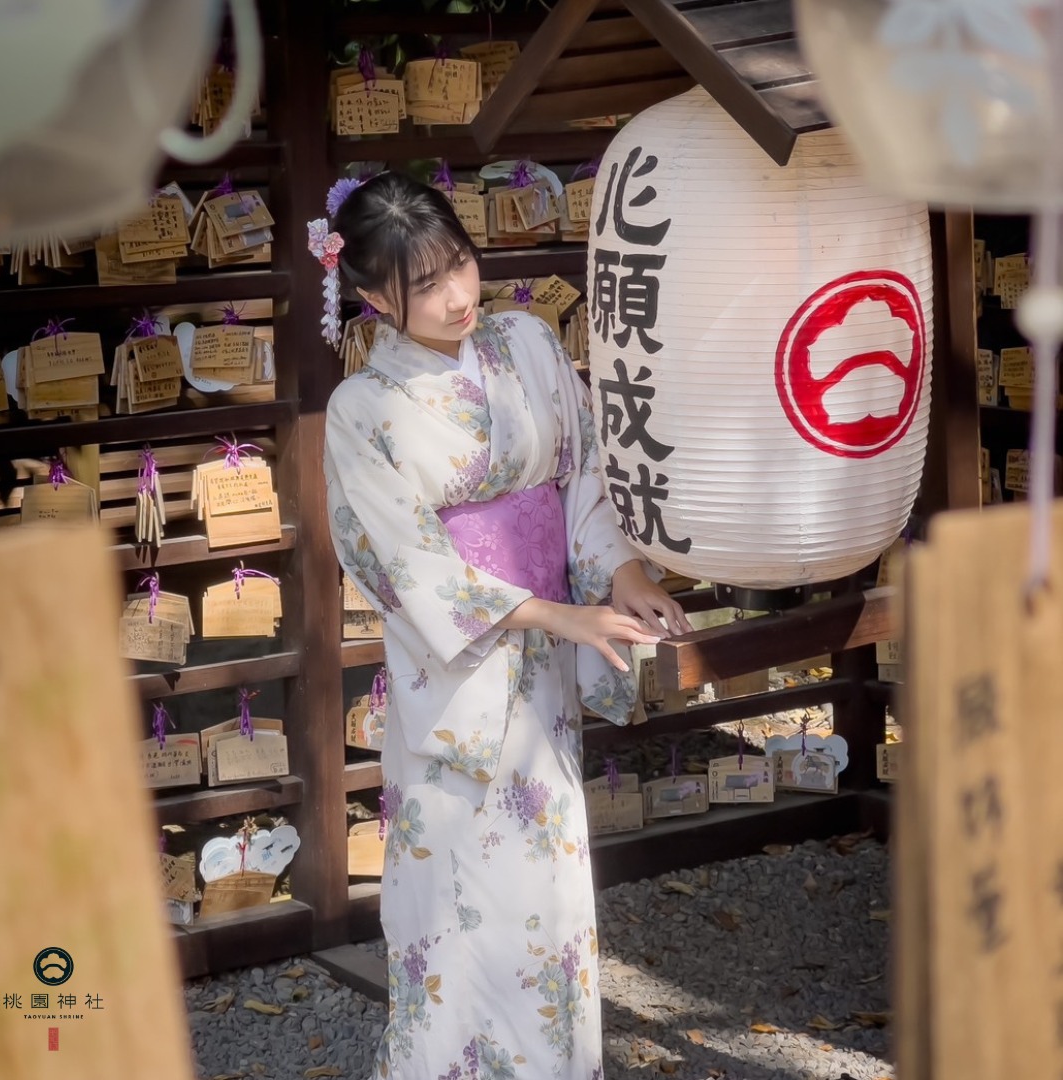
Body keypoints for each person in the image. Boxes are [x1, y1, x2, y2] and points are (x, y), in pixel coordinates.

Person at [317, 171, 691, 1080]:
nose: (456, 297)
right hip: (458, 681)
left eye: (461, 265)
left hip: (547, 665)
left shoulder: (525, 341)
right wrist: (560, 612)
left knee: (550, 901)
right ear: (372, 300)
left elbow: (583, 473)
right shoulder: (361, 410)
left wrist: (627, 575)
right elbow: (403, 564)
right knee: (454, 904)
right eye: (425, 286)